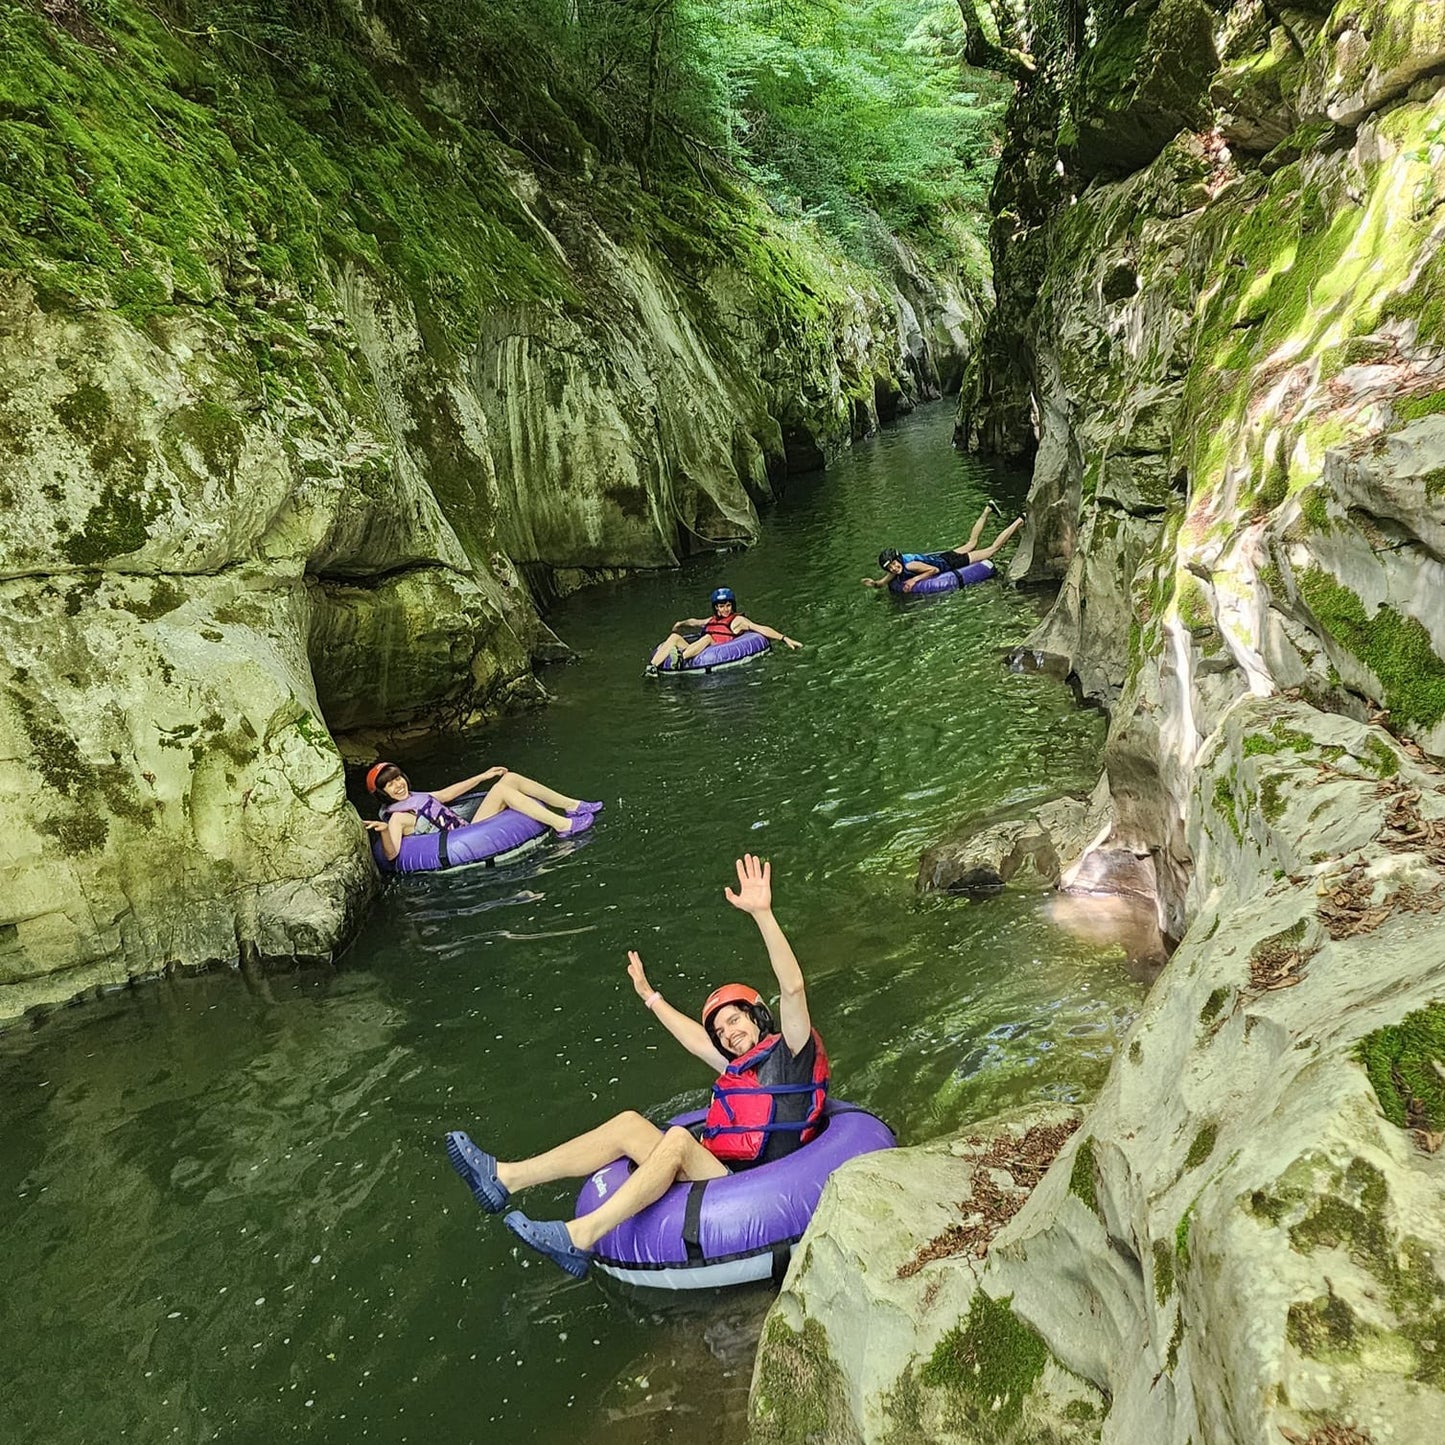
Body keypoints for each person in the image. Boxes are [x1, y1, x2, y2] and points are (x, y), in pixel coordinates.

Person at [444, 855, 827, 1278]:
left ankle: (580, 1236)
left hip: (758, 1186)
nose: (728, 1032)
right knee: (629, 1123)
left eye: (734, 1020)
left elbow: (792, 988)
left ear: (757, 1016)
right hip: (723, 1174)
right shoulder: (739, 1067)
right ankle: (505, 1178)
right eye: (721, 1029)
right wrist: (650, 996)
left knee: (678, 1140)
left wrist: (763, 915)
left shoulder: (793, 1052)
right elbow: (693, 1038)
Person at [363, 761, 601, 862]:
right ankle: (564, 826)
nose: (398, 785)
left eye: (398, 778)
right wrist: (384, 831)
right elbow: (392, 855)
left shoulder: (415, 798)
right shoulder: (397, 818)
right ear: (383, 793)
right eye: (390, 784)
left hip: (465, 828)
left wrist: (483, 776)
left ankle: (572, 806)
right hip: (463, 839)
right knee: (505, 793)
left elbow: (446, 795)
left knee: (511, 779)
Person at [863, 505, 1026, 592]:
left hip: (950, 563)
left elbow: (933, 570)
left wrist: (914, 580)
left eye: (894, 564)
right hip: (943, 557)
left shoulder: (910, 565)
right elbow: (883, 582)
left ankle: (1019, 520)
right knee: (971, 543)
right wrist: (873, 583)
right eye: (890, 567)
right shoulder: (896, 569)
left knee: (992, 550)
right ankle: (988, 509)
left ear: (898, 559)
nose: (894, 568)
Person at [646, 586, 802, 672]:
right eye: (722, 606)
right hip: (699, 649)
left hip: (716, 647)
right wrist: (681, 623)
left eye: (728, 606)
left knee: (707, 638)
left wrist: (784, 638)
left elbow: (760, 628)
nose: (726, 609)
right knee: (674, 637)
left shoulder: (738, 620)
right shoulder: (712, 620)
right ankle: (652, 668)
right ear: (716, 608)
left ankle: (680, 659)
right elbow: (695, 622)